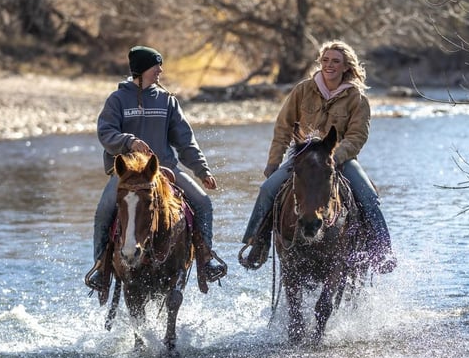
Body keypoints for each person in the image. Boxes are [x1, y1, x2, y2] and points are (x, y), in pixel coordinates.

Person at [238, 39, 397, 274]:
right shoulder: (303, 89)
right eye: (325, 60)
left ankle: (381, 251)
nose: (329, 65)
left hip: (338, 159)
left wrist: (333, 156)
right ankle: (256, 245)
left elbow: (357, 135)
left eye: (335, 61)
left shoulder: (357, 97)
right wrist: (273, 161)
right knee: (267, 189)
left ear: (346, 67)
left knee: (369, 195)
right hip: (303, 158)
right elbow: (283, 126)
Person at [85, 45, 227, 296]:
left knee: (203, 203)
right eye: (155, 66)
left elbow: (185, 140)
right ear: (140, 70)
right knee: (104, 211)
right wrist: (129, 142)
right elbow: (105, 133)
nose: (160, 70)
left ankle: (206, 260)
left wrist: (202, 170)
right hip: (127, 174)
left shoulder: (167, 100)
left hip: (164, 169)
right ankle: (101, 268)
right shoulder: (117, 100)